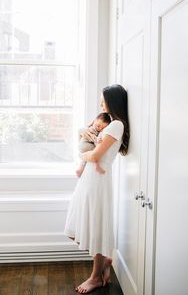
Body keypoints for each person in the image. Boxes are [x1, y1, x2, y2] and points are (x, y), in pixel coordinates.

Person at [64, 84, 130, 294]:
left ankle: (95, 277)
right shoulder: (108, 124)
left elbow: (94, 156)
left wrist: (80, 155)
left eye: (103, 99)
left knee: (96, 225)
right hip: (89, 178)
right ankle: (104, 262)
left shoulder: (116, 125)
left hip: (98, 181)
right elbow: (89, 146)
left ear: (113, 101)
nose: (100, 103)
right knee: (79, 226)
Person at [76, 113, 111, 178]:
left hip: (82, 146)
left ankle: (80, 169)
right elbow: (91, 135)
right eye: (98, 126)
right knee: (96, 152)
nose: (99, 129)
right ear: (94, 121)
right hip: (85, 145)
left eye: (103, 128)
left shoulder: (97, 128)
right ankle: (97, 166)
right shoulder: (91, 128)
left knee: (85, 159)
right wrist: (96, 139)